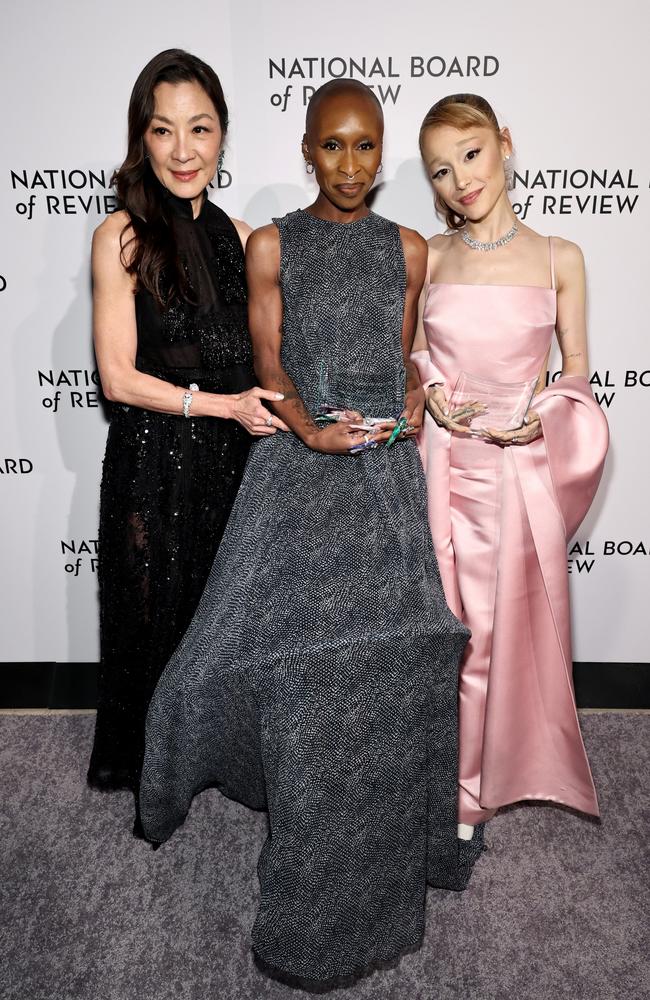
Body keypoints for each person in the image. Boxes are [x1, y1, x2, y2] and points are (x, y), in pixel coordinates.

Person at [140, 79, 476, 985]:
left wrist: (408, 399)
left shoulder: (408, 248)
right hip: (298, 463)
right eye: (334, 146)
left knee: (406, 647)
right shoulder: (271, 243)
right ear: (305, 147)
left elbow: (402, 355)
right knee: (279, 659)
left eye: (367, 146)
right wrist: (306, 427)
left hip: (383, 471)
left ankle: (400, 840)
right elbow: (269, 358)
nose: (352, 166)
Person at [87, 49, 287, 801]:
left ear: (223, 135)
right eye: (164, 130)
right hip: (154, 460)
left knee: (226, 624)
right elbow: (118, 376)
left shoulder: (243, 236)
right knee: (152, 625)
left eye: (199, 129)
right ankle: (155, 775)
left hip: (237, 466)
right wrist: (215, 406)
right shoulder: (123, 237)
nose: (182, 150)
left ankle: (220, 761)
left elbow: (271, 358)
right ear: (142, 137)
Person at [412, 93, 609, 841]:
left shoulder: (562, 257)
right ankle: (441, 776)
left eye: (470, 153)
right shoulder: (427, 255)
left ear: (504, 143)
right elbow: (410, 353)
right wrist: (431, 391)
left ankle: (476, 790)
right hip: (441, 470)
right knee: (442, 631)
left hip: (515, 477)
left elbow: (579, 371)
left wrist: (549, 414)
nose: (460, 179)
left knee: (493, 638)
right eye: (440, 169)